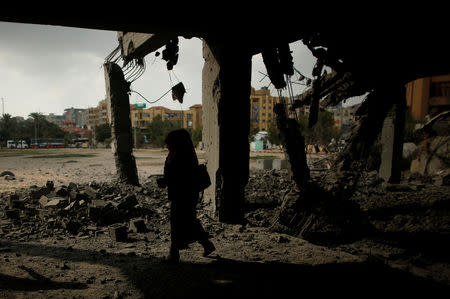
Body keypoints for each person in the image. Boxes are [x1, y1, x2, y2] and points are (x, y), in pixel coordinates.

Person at [157, 129, 215, 263]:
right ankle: (206, 244)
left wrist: (165, 182)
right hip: (182, 194)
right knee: (189, 222)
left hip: (183, 195)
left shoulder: (182, 156)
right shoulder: (178, 154)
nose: (167, 146)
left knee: (178, 223)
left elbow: (181, 178)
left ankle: (174, 253)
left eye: (169, 143)